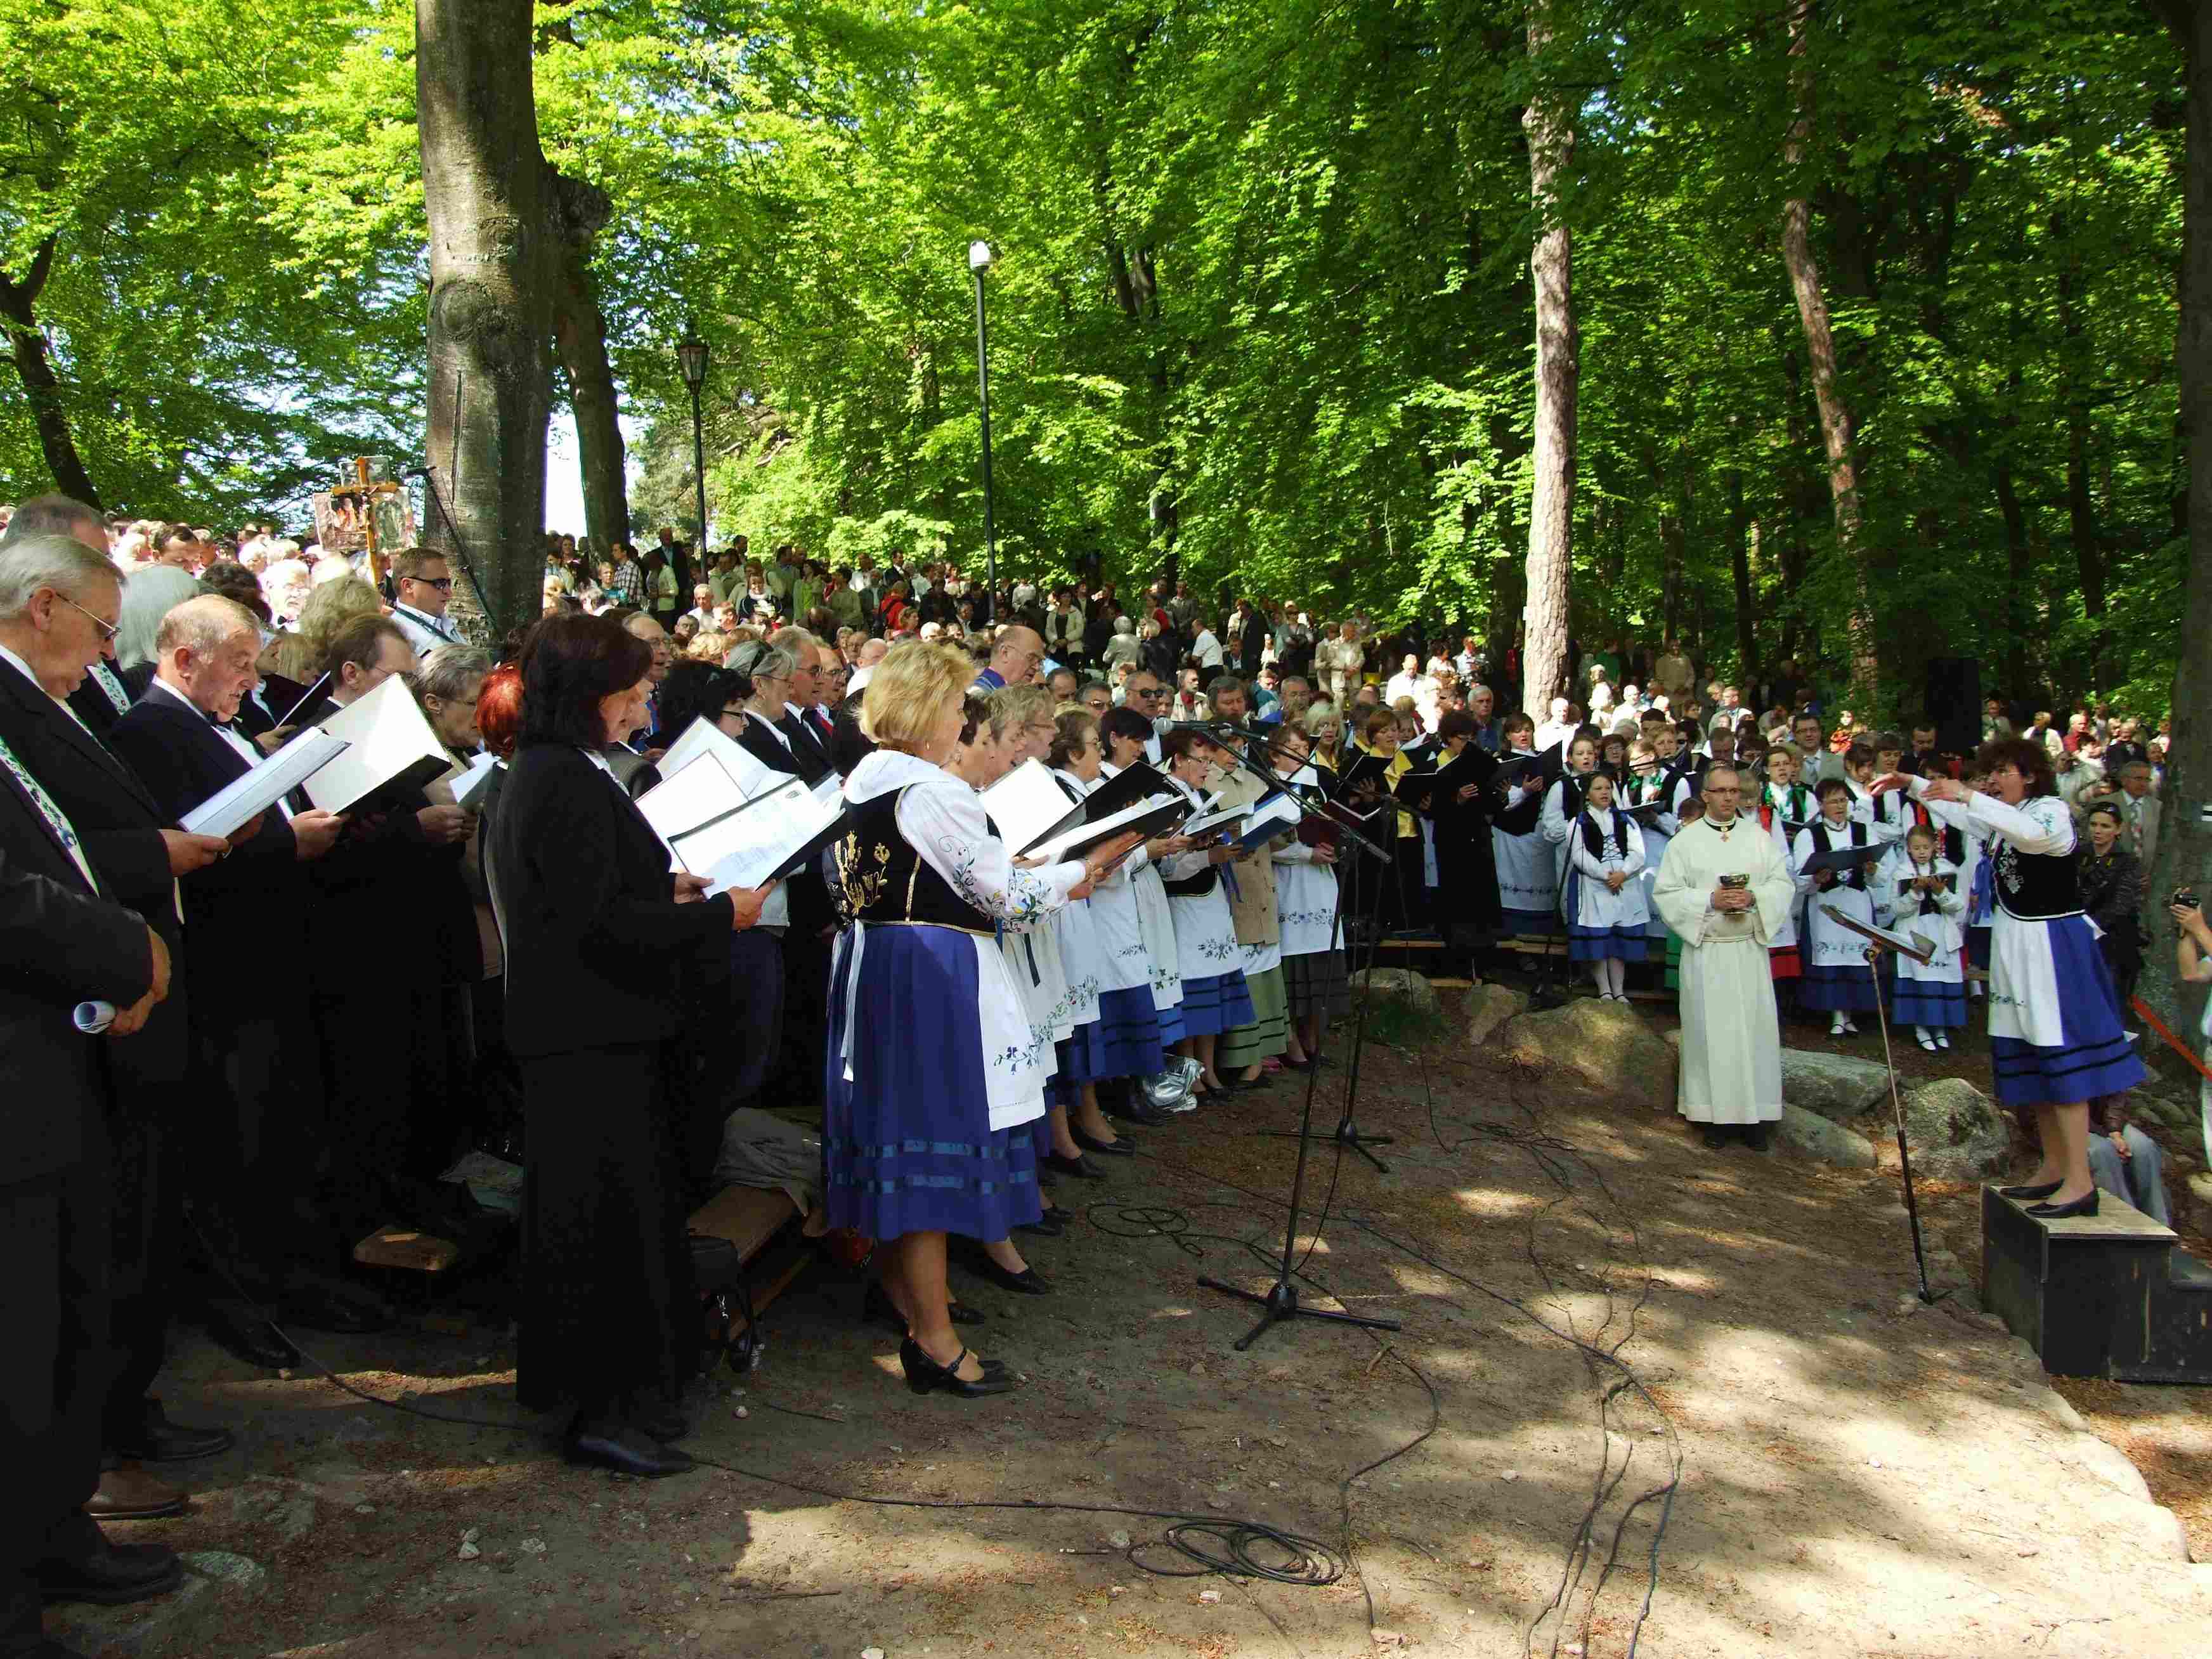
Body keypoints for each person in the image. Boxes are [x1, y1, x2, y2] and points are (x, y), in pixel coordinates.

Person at [488, 613, 773, 1476]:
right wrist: (718, 914)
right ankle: (598, 1407)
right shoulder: (556, 776)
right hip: (585, 1034)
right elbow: (597, 926)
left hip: (598, 1031)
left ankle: (624, 1394)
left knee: (618, 1214)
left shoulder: (563, 768)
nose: (645, 700)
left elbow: (594, 890)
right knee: (594, 1223)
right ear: (593, 692)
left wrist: (669, 888)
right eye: (632, 687)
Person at [826, 642, 1131, 1395]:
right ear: (926, 710)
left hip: (875, 963)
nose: (962, 721)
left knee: (897, 1138)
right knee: (930, 1142)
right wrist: (1082, 869)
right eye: (956, 706)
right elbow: (1006, 899)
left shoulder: (862, 779)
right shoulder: (931, 791)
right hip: (930, 971)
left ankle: (903, 1296)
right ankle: (934, 1341)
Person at [0, 535, 240, 1474]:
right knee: (65, 1277)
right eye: (102, 627)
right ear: (44, 606)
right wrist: (122, 946)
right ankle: (82, 1463)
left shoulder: (49, 695)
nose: (110, 651)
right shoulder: (17, 701)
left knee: (116, 1239)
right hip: (59, 1022)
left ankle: (102, 1435)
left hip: (100, 1000)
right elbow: (36, 872)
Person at [1, 712, 185, 1639]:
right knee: (18, 1350)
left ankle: (51, 1533)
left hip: (46, 1081)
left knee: (54, 1335)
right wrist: (123, 946)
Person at [1899, 739, 2147, 1216]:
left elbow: (2031, 836)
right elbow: (1965, 816)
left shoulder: (2050, 811)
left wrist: (1969, 794)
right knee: (2032, 1060)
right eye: (1990, 773)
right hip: (2017, 946)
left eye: (2004, 771)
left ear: (2030, 775)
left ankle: (2081, 1181)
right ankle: (2055, 1166)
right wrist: (1913, 783)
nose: (1994, 781)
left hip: (2051, 946)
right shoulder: (2004, 816)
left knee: (2059, 1054)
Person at [1652, 766, 1795, 1148]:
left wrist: (1753, 897)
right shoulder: (1685, 842)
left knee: (1753, 1034)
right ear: (1706, 796)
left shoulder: (1758, 837)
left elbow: (1782, 884)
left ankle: (1756, 1119)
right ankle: (1714, 1118)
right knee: (1711, 1034)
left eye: (1734, 791)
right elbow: (1666, 893)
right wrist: (1709, 900)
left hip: (1748, 950)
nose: (1730, 798)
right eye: (1721, 791)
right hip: (1708, 951)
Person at [1157, 729, 1256, 1093]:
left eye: (1209, 762)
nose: (1207, 768)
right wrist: (1207, 856)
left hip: (1212, 899)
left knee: (1213, 987)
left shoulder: (1202, 796)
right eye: (1201, 761)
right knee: (1193, 989)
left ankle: (1209, 1069)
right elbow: (1166, 868)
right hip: (1185, 904)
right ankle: (1190, 1072)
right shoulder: (1164, 797)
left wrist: (1229, 842)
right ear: (1178, 759)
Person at [1795, 777, 1881, 1038]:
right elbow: (1800, 880)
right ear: (1821, 805)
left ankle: (1850, 1014)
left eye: (1843, 800)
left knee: (1855, 956)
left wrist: (1872, 870)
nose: (1840, 806)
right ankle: (1836, 1014)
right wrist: (1816, 878)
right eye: (1833, 801)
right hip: (1827, 906)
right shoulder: (1808, 835)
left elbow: (1880, 878)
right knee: (1831, 957)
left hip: (1856, 902)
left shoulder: (1864, 831)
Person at [1875, 823, 1968, 1051]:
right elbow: (1897, 909)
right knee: (1919, 979)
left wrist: (1941, 893)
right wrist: (1915, 893)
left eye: (1926, 847)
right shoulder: (1902, 872)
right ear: (1908, 848)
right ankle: (1921, 1028)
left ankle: (1940, 1029)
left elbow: (1959, 905)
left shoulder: (1947, 868)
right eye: (1916, 848)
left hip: (1941, 932)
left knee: (1940, 979)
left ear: (1934, 846)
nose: (1922, 852)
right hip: (1915, 933)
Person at [1567, 770, 1648, 1001]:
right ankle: (1604, 990)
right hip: (1593, 886)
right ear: (1587, 794)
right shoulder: (1578, 822)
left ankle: (1619, 991)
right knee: (1599, 940)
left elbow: (1638, 852)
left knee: (1618, 940)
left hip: (1624, 885)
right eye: (1598, 788)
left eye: (1608, 788)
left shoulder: (1626, 820)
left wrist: (1623, 873)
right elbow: (1579, 854)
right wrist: (1605, 875)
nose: (1604, 792)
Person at [2078, 800, 2145, 1006]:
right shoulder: (2077, 854)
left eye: (2105, 826)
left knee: (2108, 1000)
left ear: (2118, 829)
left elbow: (2121, 905)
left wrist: (2087, 927)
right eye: (2093, 824)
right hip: (2075, 935)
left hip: (2112, 943)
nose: (2097, 831)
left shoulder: (2128, 862)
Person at [388, 548, 462, 655]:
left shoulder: (444, 622)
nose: (449, 593)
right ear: (408, 586)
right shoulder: (395, 636)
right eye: (439, 583)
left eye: (448, 583)